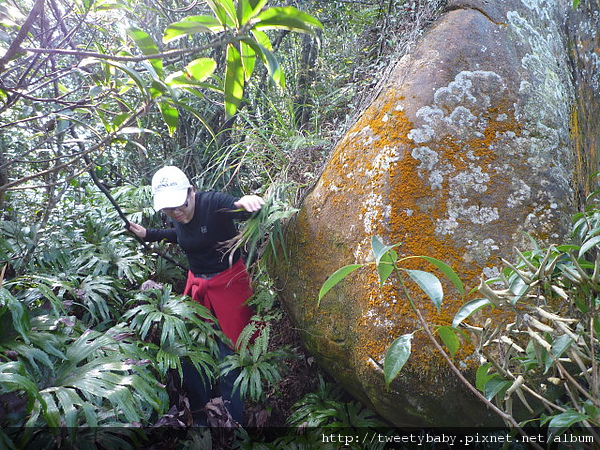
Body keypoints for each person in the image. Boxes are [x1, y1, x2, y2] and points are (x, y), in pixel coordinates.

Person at [128, 165, 265, 426]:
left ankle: (231, 421)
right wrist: (148, 234)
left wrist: (247, 203)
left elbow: (237, 206)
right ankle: (202, 412)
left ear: (191, 192)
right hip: (197, 285)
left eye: (180, 204)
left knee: (230, 352)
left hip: (229, 285)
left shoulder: (212, 203)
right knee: (193, 349)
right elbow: (179, 236)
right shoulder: (176, 216)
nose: (176, 212)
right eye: (169, 209)